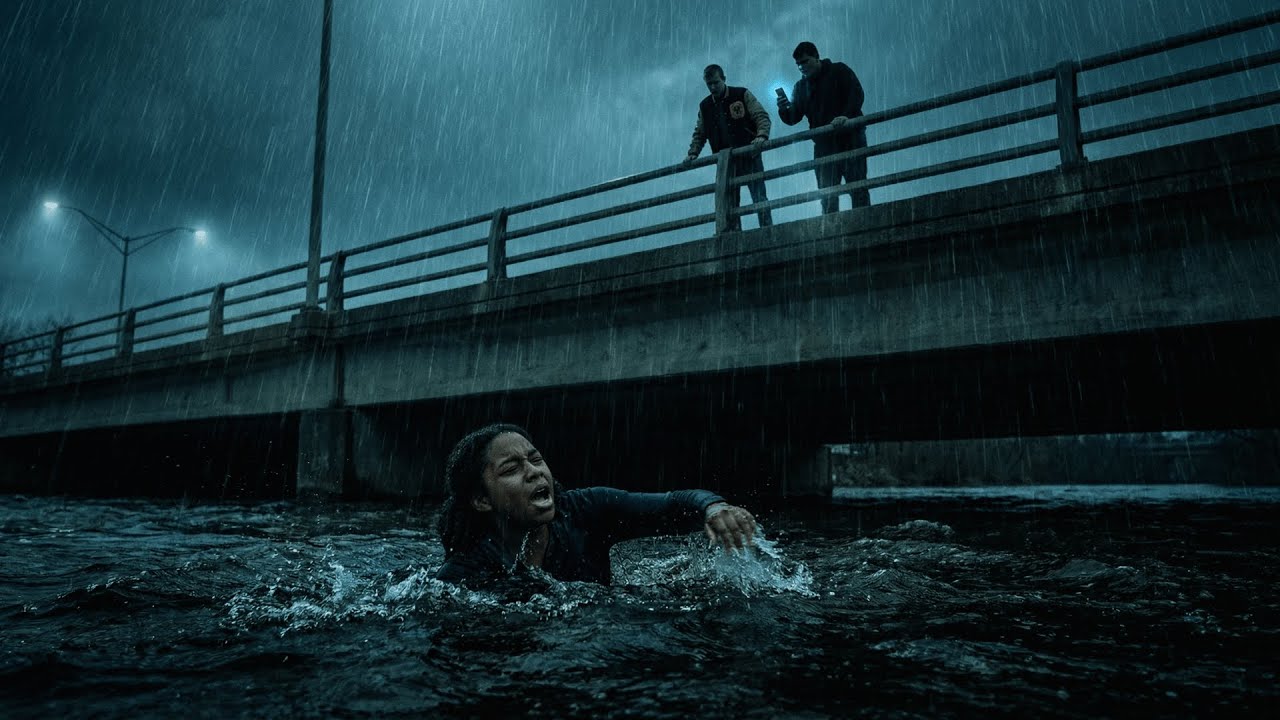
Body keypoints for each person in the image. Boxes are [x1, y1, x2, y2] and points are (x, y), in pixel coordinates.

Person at [434, 423, 758, 589]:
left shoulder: (587, 509)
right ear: (481, 500)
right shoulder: (465, 574)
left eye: (535, 459)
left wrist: (714, 509)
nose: (533, 471)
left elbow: (674, 503)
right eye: (511, 469)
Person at [777, 41, 870, 214]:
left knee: (858, 187)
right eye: (798, 64)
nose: (802, 67)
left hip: (851, 138)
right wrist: (784, 109)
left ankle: (865, 225)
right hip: (824, 146)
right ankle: (831, 234)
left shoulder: (839, 70)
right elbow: (793, 118)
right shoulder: (800, 87)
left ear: (817, 57)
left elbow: (856, 93)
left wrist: (846, 116)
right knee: (827, 195)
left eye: (805, 61)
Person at [683, 64, 773, 230]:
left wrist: (761, 135)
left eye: (716, 82)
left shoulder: (741, 94)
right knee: (729, 203)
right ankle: (733, 236)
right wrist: (693, 152)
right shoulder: (705, 106)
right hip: (726, 162)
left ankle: (767, 231)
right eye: (709, 84)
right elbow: (700, 132)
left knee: (759, 197)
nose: (712, 87)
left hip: (749, 155)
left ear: (724, 79)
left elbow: (761, 116)